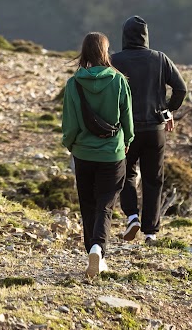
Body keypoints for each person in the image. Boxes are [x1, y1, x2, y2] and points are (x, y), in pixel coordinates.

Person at [61, 32, 134, 279]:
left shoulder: (73, 83)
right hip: (112, 154)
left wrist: (70, 144)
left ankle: (91, 250)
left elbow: (69, 123)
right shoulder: (118, 80)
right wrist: (128, 140)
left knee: (87, 204)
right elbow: (127, 118)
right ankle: (98, 250)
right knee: (105, 204)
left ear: (84, 52)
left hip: (83, 153)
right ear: (105, 51)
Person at [110, 15, 188, 243]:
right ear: (146, 36)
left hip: (126, 131)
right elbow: (181, 89)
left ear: (124, 35)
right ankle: (151, 232)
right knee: (154, 179)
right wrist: (168, 110)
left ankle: (132, 216)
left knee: (125, 174)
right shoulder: (159, 58)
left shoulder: (114, 60)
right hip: (155, 129)